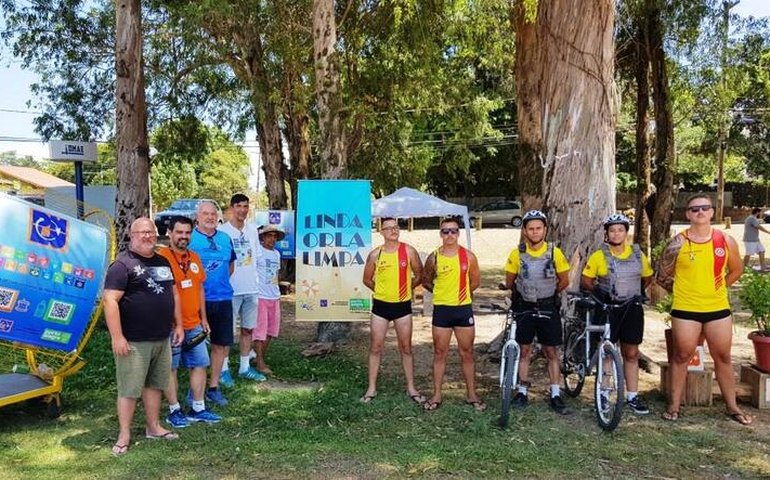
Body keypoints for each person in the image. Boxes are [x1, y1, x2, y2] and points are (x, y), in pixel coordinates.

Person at [659, 194, 751, 424]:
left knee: (723, 357)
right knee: (681, 356)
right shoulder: (677, 243)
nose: (700, 212)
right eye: (694, 209)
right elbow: (662, 276)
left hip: (717, 309)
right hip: (685, 309)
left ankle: (733, 407)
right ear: (688, 214)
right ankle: (674, 406)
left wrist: (718, 288)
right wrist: (682, 293)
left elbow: (737, 270)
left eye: (704, 208)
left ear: (712, 212)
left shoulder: (725, 240)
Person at [103, 217, 184, 456]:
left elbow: (173, 294)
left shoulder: (163, 261)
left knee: (155, 385)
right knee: (129, 389)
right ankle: (124, 435)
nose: (147, 236)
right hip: (134, 341)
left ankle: (153, 427)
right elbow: (109, 301)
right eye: (142, 232)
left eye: (151, 232)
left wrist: (178, 325)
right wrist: (117, 337)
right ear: (132, 235)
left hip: (162, 337)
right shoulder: (122, 265)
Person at [581, 213, 653, 415]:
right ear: (607, 233)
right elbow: (586, 281)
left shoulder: (638, 255)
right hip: (607, 309)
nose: (616, 233)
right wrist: (601, 295)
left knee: (631, 353)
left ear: (626, 233)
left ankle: (632, 395)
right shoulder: (598, 256)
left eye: (620, 229)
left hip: (631, 308)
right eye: (612, 230)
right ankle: (603, 393)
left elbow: (647, 278)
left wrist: (633, 293)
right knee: (607, 352)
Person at [503, 210, 571, 415]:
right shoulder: (517, 253)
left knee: (551, 352)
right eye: (530, 228)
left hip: (548, 306)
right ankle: (522, 391)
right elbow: (509, 281)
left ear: (545, 230)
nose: (534, 232)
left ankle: (556, 394)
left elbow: (564, 280)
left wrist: (549, 295)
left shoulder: (554, 253)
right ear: (524, 231)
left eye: (538, 228)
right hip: (525, 307)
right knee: (524, 350)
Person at [158, 216, 222, 427]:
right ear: (169, 233)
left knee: (200, 364)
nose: (183, 237)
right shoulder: (161, 257)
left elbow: (200, 288)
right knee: (171, 368)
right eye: (179, 232)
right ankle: (174, 410)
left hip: (194, 324)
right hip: (170, 327)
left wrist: (204, 318)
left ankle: (198, 408)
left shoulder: (194, 257)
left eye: (187, 233)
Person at [421, 217, 484, 411]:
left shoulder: (469, 256)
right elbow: (426, 281)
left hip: (463, 309)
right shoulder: (434, 257)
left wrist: (460, 295)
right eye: (445, 231)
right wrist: (442, 293)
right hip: (442, 310)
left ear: (458, 233)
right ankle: (437, 395)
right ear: (440, 234)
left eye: (453, 231)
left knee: (467, 353)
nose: (450, 234)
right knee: (440, 353)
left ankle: (472, 395)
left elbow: (475, 282)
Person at [360, 217, 425, 404]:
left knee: (406, 348)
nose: (393, 231)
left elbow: (419, 275)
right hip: (380, 307)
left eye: (396, 227)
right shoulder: (375, 255)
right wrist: (382, 291)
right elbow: (367, 279)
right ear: (382, 232)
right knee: (375, 347)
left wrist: (405, 288)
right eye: (389, 228)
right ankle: (371, 388)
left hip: (402, 307)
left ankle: (411, 387)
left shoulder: (409, 251)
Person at [189, 201, 237, 407]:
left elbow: (231, 266)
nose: (209, 217)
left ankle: (214, 386)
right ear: (197, 217)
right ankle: (194, 390)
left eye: (213, 214)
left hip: (223, 299)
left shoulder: (226, 239)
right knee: (196, 346)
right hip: (197, 302)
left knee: (220, 344)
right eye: (205, 214)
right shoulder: (189, 239)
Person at [218, 193, 266, 381]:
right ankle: (223, 370)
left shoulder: (253, 230)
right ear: (231, 208)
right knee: (227, 332)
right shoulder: (222, 232)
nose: (242, 210)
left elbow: (258, 259)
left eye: (245, 206)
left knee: (248, 330)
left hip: (251, 289)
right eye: (238, 206)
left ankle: (244, 367)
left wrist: (259, 285)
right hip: (230, 290)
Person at [253, 225, 285, 375]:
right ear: (263, 237)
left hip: (274, 296)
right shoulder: (258, 252)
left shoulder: (277, 254)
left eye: (274, 236)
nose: (272, 239)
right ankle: (259, 362)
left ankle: (259, 357)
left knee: (271, 331)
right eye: (269, 236)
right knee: (260, 331)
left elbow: (276, 275)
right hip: (261, 296)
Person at [743, 207, 770, 271]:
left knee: (762, 250)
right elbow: (758, 226)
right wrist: (768, 232)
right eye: (760, 212)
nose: (760, 214)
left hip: (755, 240)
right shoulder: (752, 218)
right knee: (748, 254)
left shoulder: (752, 218)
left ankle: (763, 267)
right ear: (757, 212)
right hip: (750, 240)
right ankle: (743, 267)